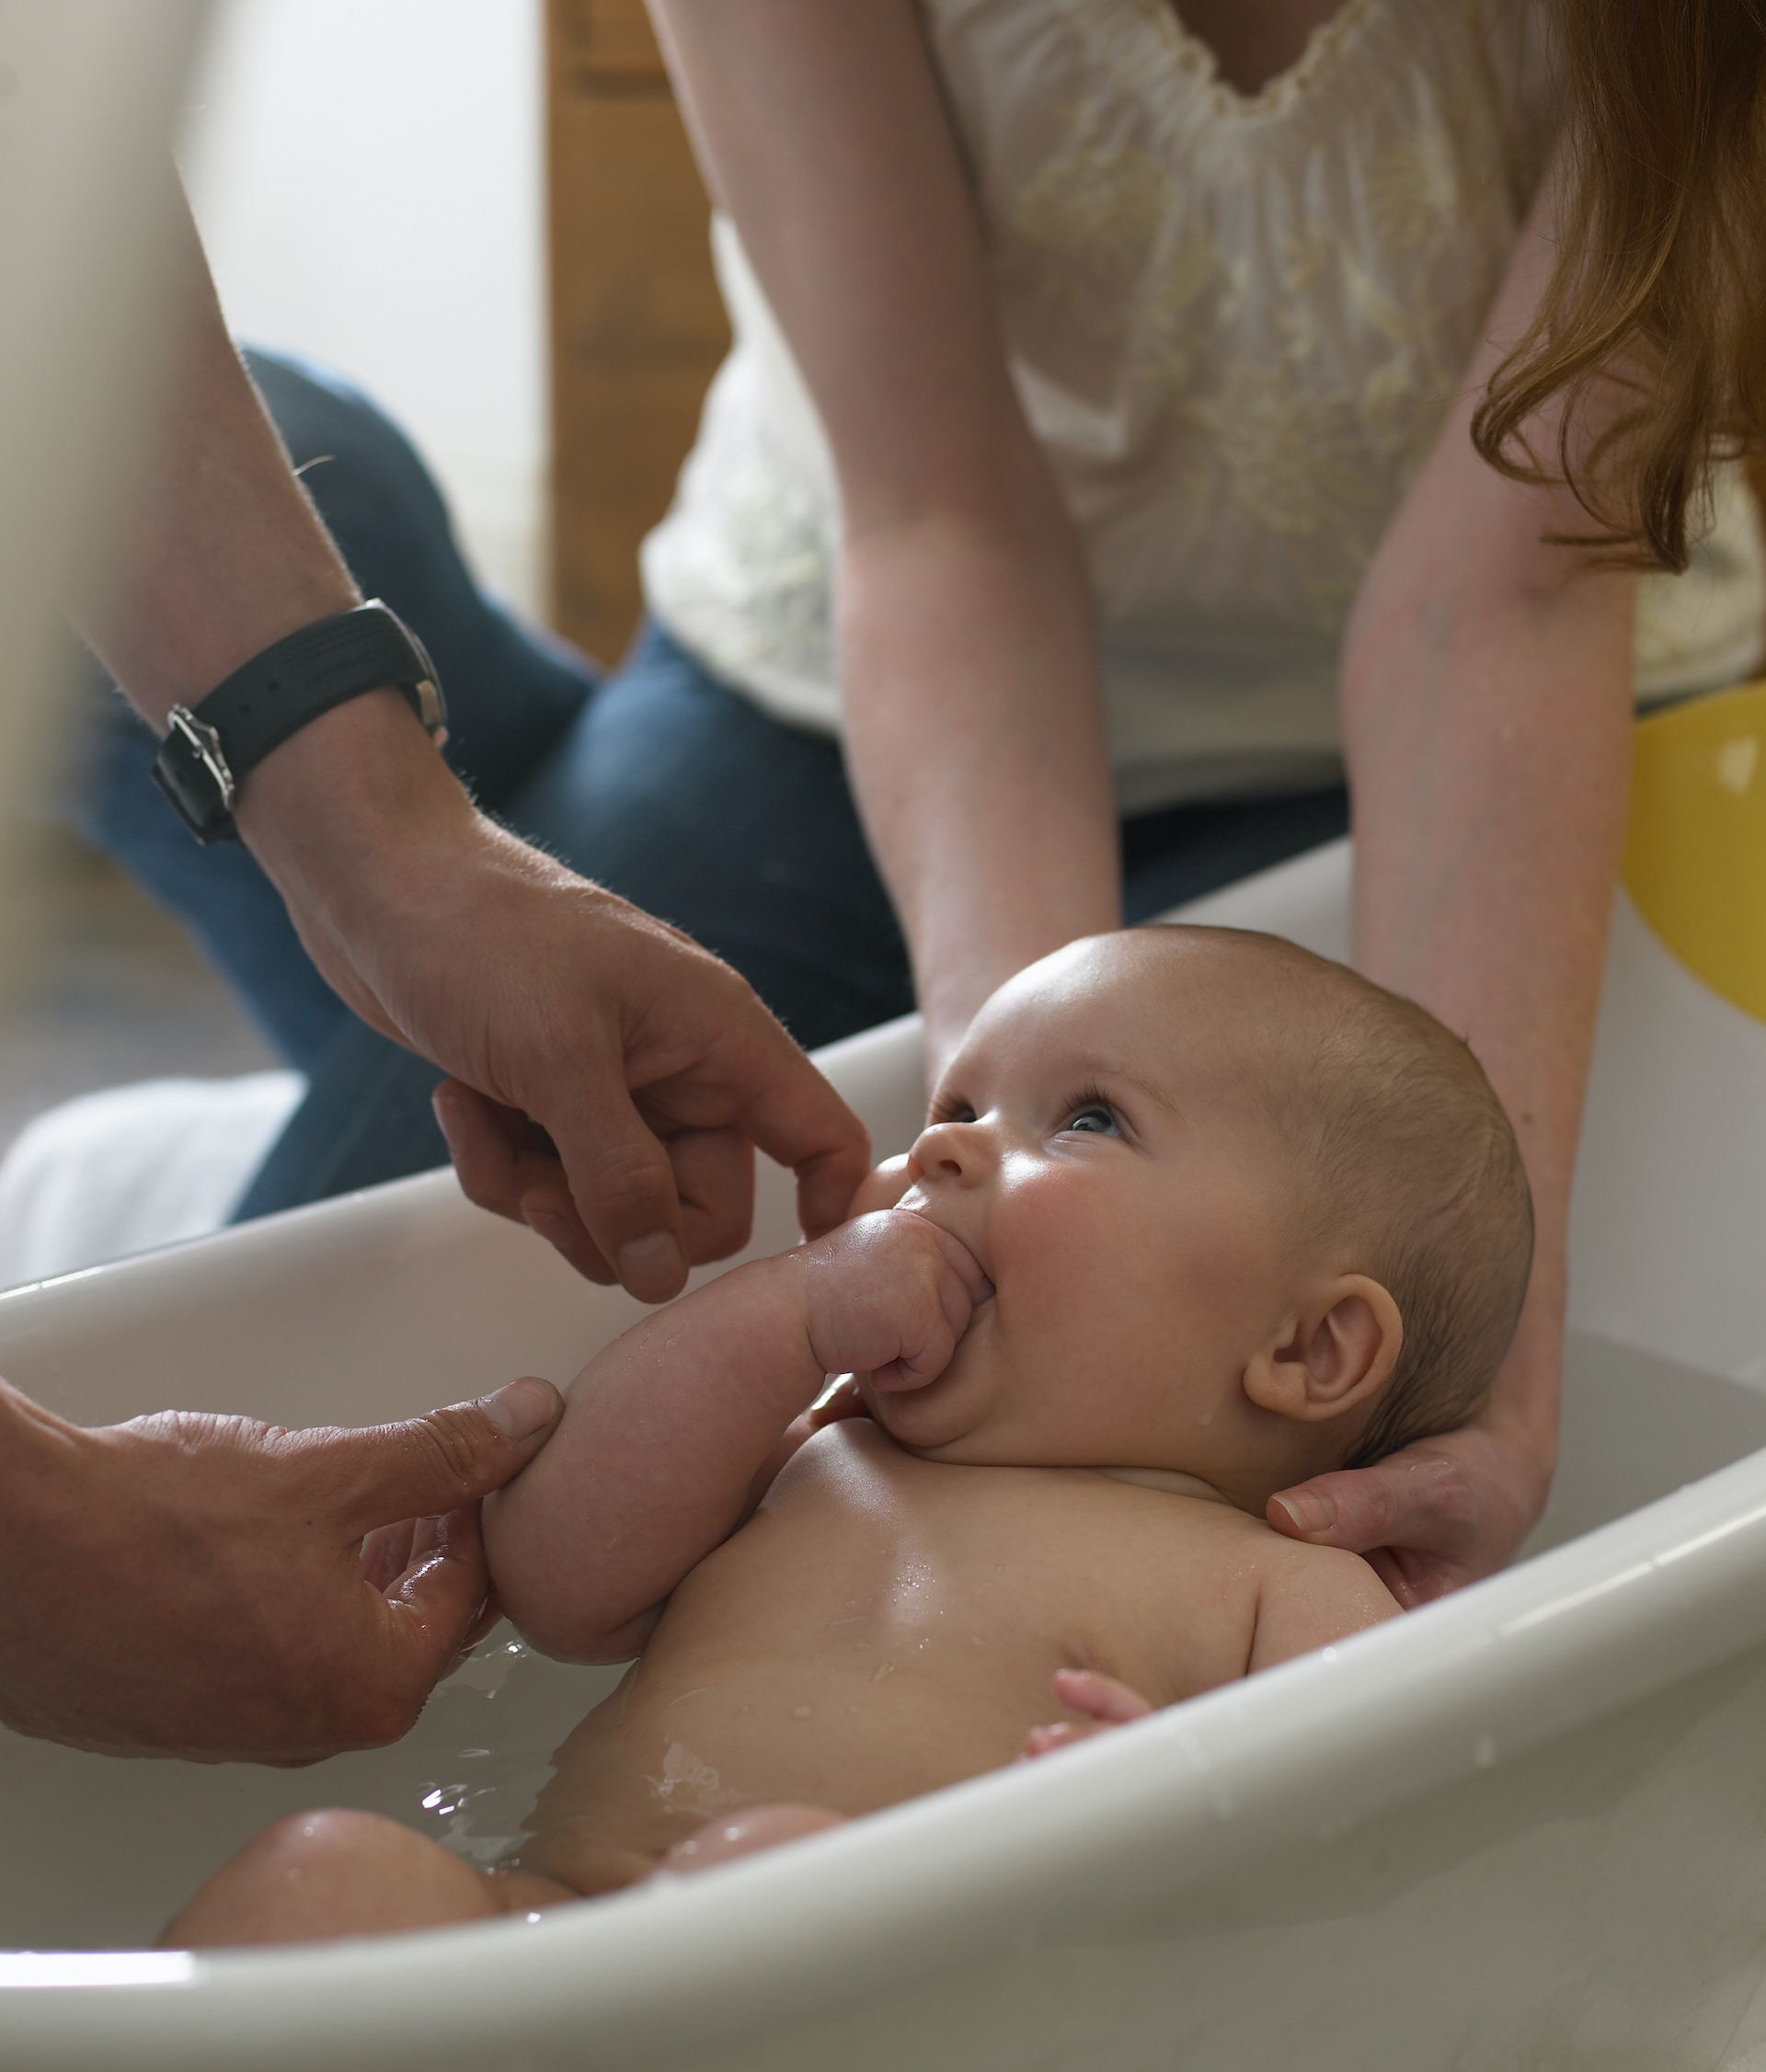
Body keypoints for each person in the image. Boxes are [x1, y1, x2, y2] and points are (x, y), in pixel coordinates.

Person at [81, 2, 1766, 1607]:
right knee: (360, 1438)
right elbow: (943, 519)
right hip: (849, 664)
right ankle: (456, 827)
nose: (940, 1141)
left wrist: (1492, 1371)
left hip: (1517, 675)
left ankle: (477, 827)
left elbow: (1502, 597)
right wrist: (1016, 1143)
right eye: (957, 1116)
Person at [157, 923, 1534, 1945]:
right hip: (548, 1922)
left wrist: (1174, 1812)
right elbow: (554, 1577)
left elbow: (1382, 1878)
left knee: (780, 1869)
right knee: (330, 1872)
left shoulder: (1282, 1585)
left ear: (1307, 1349)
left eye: (1090, 1118)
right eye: (952, 1108)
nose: (940, 1152)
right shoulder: (815, 1437)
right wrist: (789, 1315)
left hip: (899, 1987)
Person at [0, 184, 871, 1765]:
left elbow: (42, 169)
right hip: (797, 674)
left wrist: (395, 847)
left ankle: (141, 1187)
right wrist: (35, 1544)